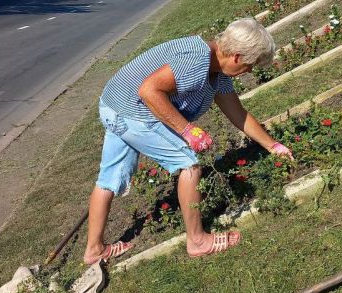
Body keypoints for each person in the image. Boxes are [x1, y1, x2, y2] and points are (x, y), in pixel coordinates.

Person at [84, 18, 293, 264]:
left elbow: (238, 113)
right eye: (250, 65)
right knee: (190, 164)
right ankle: (197, 241)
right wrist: (188, 131)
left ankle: (94, 249)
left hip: (113, 105)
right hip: (131, 110)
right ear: (237, 56)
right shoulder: (195, 62)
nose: (250, 71)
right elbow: (149, 91)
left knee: (109, 178)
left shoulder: (217, 73)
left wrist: (272, 145)